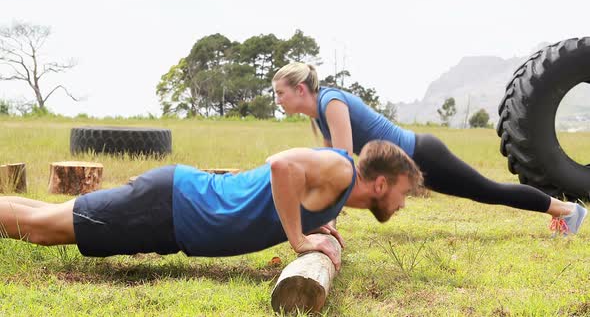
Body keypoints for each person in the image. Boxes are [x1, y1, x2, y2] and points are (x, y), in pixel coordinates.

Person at [272, 62, 587, 236]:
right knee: (487, 192)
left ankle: (570, 211)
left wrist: (328, 219)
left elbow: (341, 169)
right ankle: (565, 212)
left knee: (490, 191)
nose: (277, 100)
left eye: (280, 93)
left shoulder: (332, 103)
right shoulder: (322, 114)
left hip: (423, 155)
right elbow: (333, 170)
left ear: (300, 89)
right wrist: (327, 220)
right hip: (412, 159)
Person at [0, 141, 422, 269]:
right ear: (381, 183)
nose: (403, 203)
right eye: (404, 192)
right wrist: (298, 239)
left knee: (45, 213)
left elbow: (298, 185)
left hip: (175, 204)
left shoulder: (341, 180)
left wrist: (319, 220)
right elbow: (282, 165)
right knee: (40, 228)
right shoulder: (342, 171)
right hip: (171, 207)